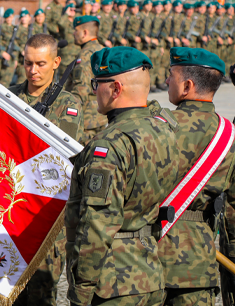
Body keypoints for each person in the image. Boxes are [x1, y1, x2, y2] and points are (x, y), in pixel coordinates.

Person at [65, 47, 180, 306]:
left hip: (112, 282)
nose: (94, 91)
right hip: (149, 274)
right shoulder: (164, 129)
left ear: (116, 89)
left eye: (98, 83)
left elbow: (97, 225)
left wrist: (81, 290)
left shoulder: (109, 145)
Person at [157, 47, 234, 306]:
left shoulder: (153, 126)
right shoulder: (229, 136)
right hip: (198, 262)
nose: (167, 81)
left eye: (171, 75)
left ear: (187, 85)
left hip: (146, 256)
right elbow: (233, 212)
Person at [10, 33, 83, 306]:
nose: (33, 70)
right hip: (12, 211)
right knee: (8, 292)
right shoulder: (11, 96)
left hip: (47, 212)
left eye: (41, 63)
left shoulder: (69, 104)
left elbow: (60, 158)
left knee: (41, 294)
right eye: (28, 63)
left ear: (56, 62)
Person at [67, 15, 106, 145]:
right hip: (101, 115)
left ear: (84, 33)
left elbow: (81, 89)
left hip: (86, 120)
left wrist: (68, 115)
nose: (73, 33)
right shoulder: (103, 50)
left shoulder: (85, 55)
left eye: (76, 30)